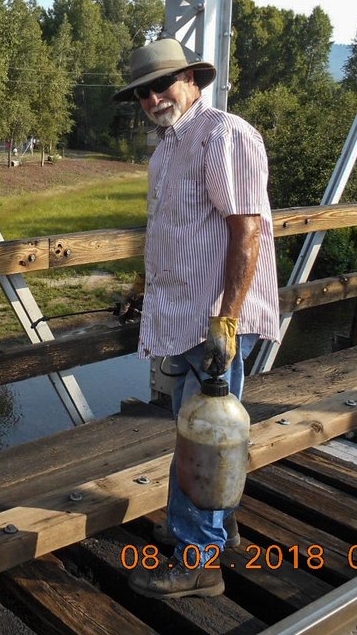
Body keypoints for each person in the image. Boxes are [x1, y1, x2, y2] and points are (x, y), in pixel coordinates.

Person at [112, 37, 279, 600]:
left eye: (163, 84)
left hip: (213, 321)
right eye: (143, 91)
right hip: (182, 316)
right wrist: (146, 287)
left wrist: (227, 321)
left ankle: (198, 562)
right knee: (201, 434)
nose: (153, 96)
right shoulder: (167, 149)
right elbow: (174, 232)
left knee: (204, 435)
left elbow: (245, 228)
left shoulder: (224, 135)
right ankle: (215, 530)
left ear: (192, 80)